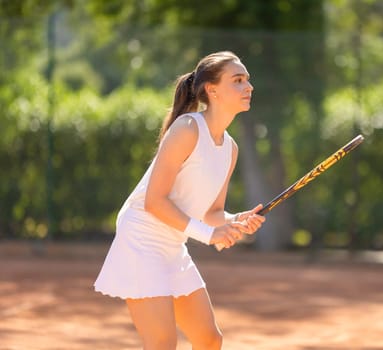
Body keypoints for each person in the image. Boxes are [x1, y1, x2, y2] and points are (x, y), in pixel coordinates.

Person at [94, 51, 265, 350]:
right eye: (238, 80)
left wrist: (234, 220)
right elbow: (154, 202)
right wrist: (211, 235)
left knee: (209, 340)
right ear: (212, 90)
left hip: (172, 245)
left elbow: (211, 212)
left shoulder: (230, 149)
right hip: (141, 239)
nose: (248, 87)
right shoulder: (187, 128)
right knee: (162, 343)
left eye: (247, 80)